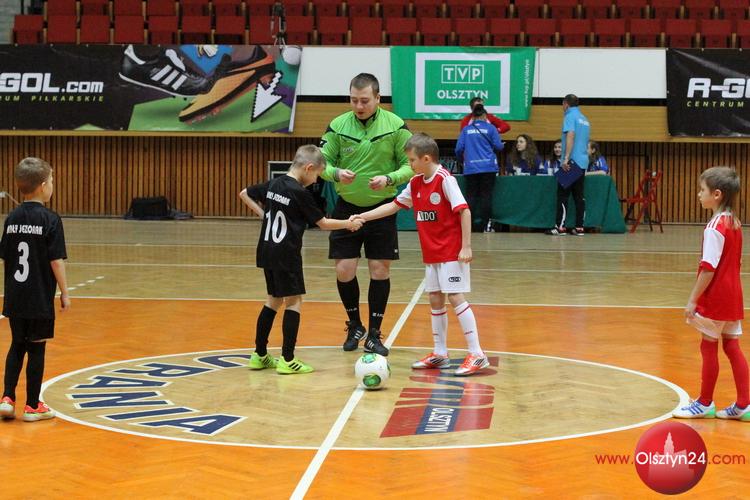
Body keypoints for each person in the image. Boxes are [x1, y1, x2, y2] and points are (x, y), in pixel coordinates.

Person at [355, 133, 489, 376]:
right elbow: (394, 206)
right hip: (431, 253)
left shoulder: (445, 180)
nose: (410, 165)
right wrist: (363, 216)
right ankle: (440, 353)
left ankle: (477, 353)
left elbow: (465, 211)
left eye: (411, 160)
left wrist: (466, 246)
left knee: (455, 297)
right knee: (435, 299)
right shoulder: (416, 182)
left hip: (451, 252)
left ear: (426, 158)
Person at [240, 145, 363, 374]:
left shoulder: (274, 184)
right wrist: (348, 223)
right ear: (308, 168)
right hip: (286, 252)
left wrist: (265, 216)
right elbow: (323, 223)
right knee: (294, 302)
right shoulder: (299, 192)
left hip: (266, 250)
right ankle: (288, 359)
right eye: (317, 174)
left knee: (273, 300)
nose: (316, 180)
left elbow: (244, 193)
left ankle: (259, 355)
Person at [319, 73, 414, 357]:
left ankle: (374, 333)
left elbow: (409, 165)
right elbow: (321, 163)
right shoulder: (338, 126)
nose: (358, 106)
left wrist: (389, 178)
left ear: (378, 98)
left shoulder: (395, 126)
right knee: (344, 270)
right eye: (353, 100)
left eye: (364, 101)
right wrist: (336, 173)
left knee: (379, 270)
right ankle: (355, 325)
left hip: (381, 210)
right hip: (346, 209)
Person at [673, 166, 749, 421]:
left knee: (708, 346)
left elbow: (708, 268)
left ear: (716, 194)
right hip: (733, 295)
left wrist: (692, 300)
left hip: (717, 297)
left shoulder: (715, 226)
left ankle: (705, 403)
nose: (698, 194)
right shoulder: (734, 222)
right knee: (732, 346)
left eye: (702, 190)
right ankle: (744, 404)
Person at [0, 157, 69, 422]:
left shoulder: (12, 218)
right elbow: (56, 260)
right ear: (42, 185)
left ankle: (7, 398)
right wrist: (64, 292)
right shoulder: (50, 219)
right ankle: (32, 406)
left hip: (15, 295)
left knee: (17, 344)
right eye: (51, 180)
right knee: (36, 348)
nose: (52, 185)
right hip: (39, 297)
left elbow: (6, 255)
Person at [456, 103, 504, 233]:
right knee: (486, 196)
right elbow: (499, 147)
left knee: (470, 197)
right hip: (488, 168)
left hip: (471, 168)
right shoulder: (491, 128)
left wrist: (462, 161)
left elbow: (458, 149)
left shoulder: (466, 130)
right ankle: (485, 226)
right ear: (484, 116)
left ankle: (468, 226)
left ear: (473, 116)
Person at [547, 94, 590, 237]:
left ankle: (560, 227)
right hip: (582, 162)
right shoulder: (584, 119)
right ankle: (579, 227)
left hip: (571, 162)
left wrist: (565, 159)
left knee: (562, 196)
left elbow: (570, 135)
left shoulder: (570, 116)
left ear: (566, 104)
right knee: (579, 196)